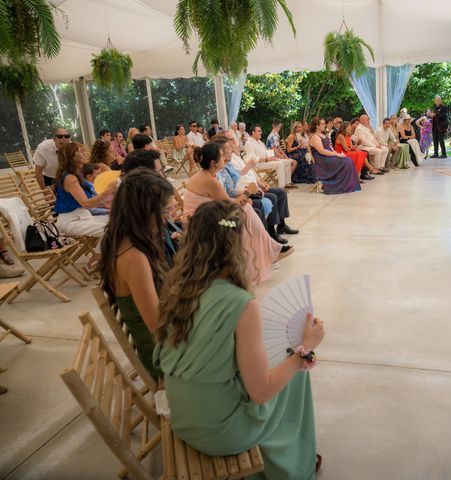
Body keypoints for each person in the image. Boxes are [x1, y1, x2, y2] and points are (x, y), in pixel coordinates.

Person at [154, 200, 324, 478]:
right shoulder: (241, 304)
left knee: (285, 362)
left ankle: (290, 453)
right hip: (221, 433)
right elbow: (261, 392)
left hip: (185, 418)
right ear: (236, 246)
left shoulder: (177, 289)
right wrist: (306, 349)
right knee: (297, 371)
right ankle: (293, 461)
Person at [98, 169, 175, 378]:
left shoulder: (126, 240)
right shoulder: (134, 257)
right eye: (167, 211)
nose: (169, 218)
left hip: (165, 344)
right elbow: (157, 325)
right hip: (163, 356)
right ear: (145, 212)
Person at [182, 143, 288, 284]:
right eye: (222, 157)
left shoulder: (206, 175)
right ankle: (262, 253)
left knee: (247, 210)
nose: (225, 159)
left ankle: (266, 250)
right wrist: (248, 193)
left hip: (205, 215)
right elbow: (230, 206)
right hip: (201, 222)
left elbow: (225, 202)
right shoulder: (210, 181)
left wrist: (245, 199)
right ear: (214, 163)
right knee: (243, 214)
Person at [215, 133, 299, 244]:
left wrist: (260, 183)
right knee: (272, 197)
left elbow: (249, 173)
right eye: (231, 140)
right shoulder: (227, 162)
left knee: (281, 192)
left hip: (249, 187)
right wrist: (249, 190)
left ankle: (281, 226)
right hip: (242, 190)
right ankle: (269, 234)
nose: (234, 141)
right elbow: (237, 181)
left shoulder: (235, 157)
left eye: (234, 139)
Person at [54, 142, 117, 271]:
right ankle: (92, 267)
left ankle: (109, 262)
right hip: (70, 221)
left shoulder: (77, 175)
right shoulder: (70, 178)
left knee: (119, 222)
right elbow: (86, 203)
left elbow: (90, 202)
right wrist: (107, 191)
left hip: (83, 216)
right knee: (111, 231)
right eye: (80, 151)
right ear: (72, 156)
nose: (84, 152)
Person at [309, 117, 361, 195]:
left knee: (347, 159)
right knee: (347, 161)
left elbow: (330, 148)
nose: (325, 125)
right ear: (317, 126)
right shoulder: (315, 137)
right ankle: (340, 185)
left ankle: (346, 184)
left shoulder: (323, 134)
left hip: (328, 156)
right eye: (322, 124)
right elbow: (322, 151)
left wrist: (338, 154)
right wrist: (336, 154)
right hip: (323, 159)